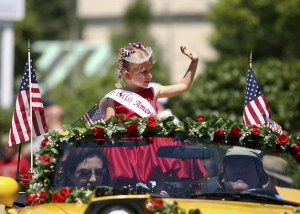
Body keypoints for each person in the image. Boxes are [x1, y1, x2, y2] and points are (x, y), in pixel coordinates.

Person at [98, 42, 206, 191]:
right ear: (127, 75)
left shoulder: (153, 92)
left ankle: (161, 192)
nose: (149, 75)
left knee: (169, 146)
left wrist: (194, 62)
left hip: (151, 147)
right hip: (126, 150)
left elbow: (183, 86)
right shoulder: (115, 97)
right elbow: (109, 127)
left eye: (150, 70)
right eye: (143, 72)